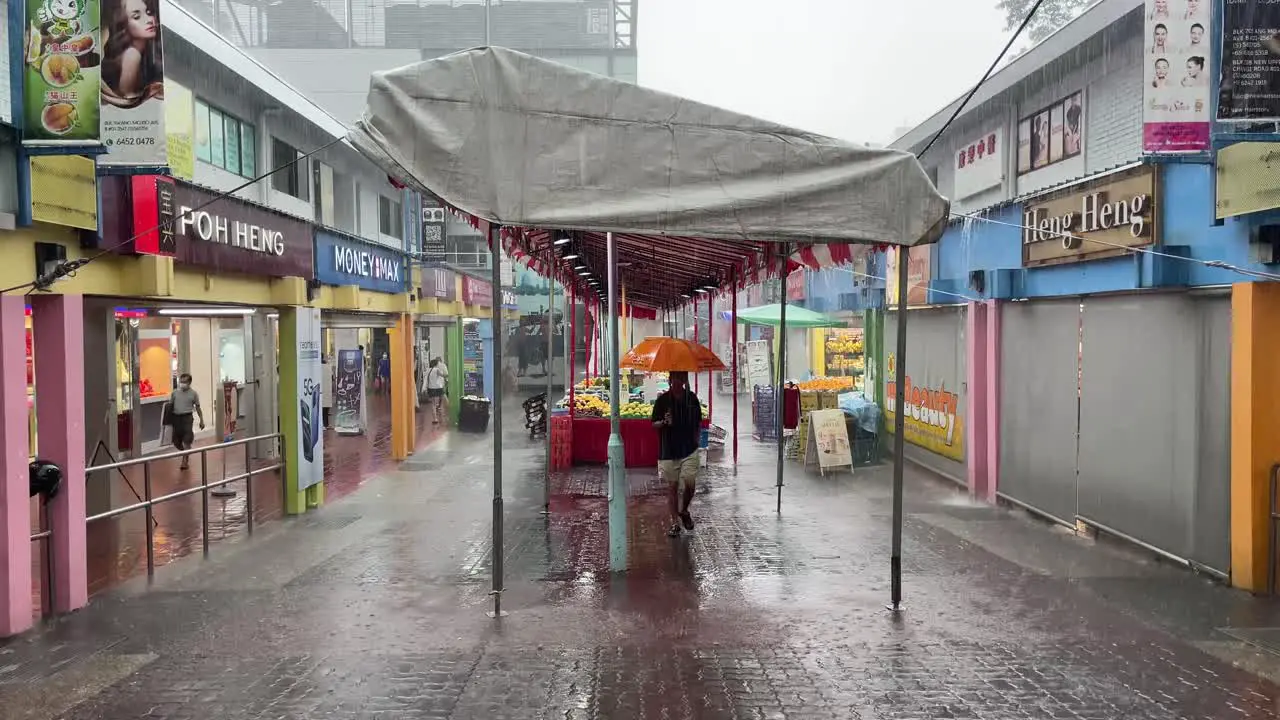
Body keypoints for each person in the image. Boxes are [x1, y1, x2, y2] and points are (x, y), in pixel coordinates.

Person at [651, 371, 703, 538]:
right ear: (670, 380)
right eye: (675, 379)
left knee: (690, 484)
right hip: (669, 450)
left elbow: (698, 422)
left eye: (681, 379)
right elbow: (654, 423)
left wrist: (696, 440)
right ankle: (675, 523)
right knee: (672, 487)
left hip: (689, 448)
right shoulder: (662, 400)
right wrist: (664, 422)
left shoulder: (692, 399)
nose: (678, 382)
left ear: (685, 380)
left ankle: (684, 510)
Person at [101, 0, 163, 106]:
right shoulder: (132, 55)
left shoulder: (145, 54)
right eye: (136, 17)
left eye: (148, 13)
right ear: (124, 25)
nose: (149, 20)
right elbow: (128, 97)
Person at [170, 373, 204, 470]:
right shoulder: (175, 393)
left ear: (189, 382)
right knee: (176, 441)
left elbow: (198, 407)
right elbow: (170, 406)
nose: (182, 383)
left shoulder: (193, 394)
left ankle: (185, 461)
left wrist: (201, 420)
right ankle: (186, 450)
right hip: (176, 418)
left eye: (184, 382)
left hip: (187, 418)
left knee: (187, 440)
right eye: (181, 381)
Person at [427, 357, 449, 424]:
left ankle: (435, 419)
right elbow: (444, 375)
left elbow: (426, 380)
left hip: (431, 388)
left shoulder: (428, 370)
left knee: (433, 404)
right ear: (436, 364)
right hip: (438, 388)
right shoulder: (436, 370)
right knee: (444, 397)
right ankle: (450, 409)